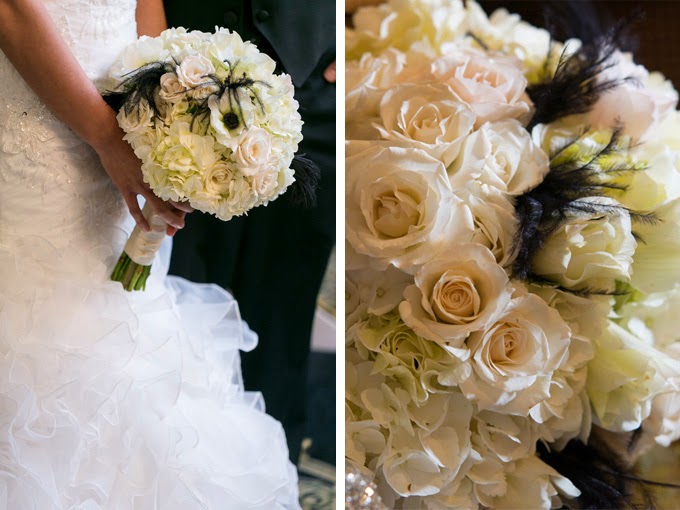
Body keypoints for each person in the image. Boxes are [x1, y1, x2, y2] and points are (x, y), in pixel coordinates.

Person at [0, 0, 300, 507]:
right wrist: (105, 135)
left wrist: (162, 107)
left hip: (125, 103)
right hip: (34, 118)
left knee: (124, 312)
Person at [163, 0, 336, 464]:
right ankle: (173, 469)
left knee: (282, 310)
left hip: (314, 88)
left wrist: (358, 42)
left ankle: (271, 472)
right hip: (180, 88)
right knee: (178, 303)